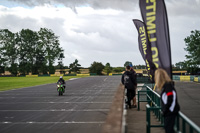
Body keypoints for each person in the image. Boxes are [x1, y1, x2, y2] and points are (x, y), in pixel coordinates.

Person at [154, 68, 180, 133]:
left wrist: (165, 110)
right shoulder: (167, 86)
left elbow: (170, 98)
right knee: (168, 129)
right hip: (169, 112)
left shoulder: (168, 86)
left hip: (170, 112)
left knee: (169, 130)